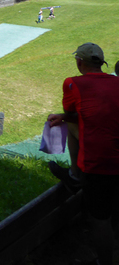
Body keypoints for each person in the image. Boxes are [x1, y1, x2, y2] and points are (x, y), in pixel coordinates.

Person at [47, 43, 119, 265]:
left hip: (98, 163)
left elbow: (73, 113)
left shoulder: (72, 83)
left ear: (79, 62)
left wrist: (64, 117)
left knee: (100, 220)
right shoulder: (117, 82)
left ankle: (76, 176)